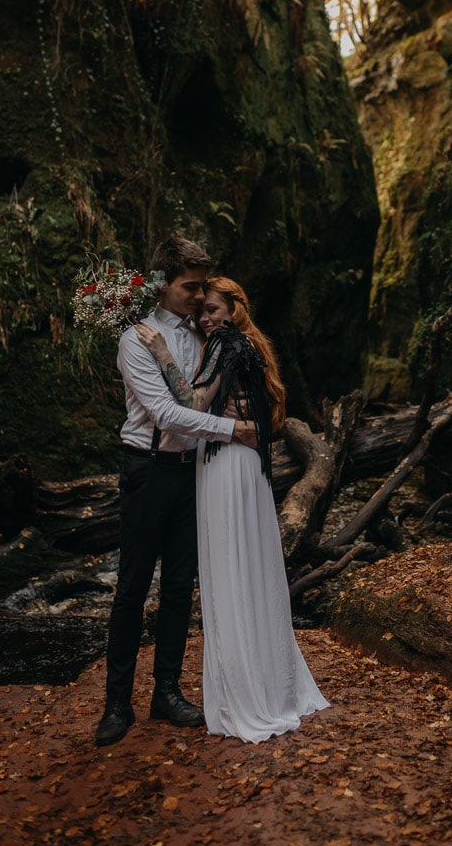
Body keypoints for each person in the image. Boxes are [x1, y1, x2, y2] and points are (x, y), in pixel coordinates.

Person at [135, 276, 329, 743]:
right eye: (201, 312)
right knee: (252, 568)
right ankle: (269, 682)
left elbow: (191, 402)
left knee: (229, 570)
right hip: (244, 463)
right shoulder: (249, 344)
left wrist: (162, 353)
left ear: (234, 309)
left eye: (214, 309)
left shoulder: (225, 341)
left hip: (224, 462)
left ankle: (245, 695)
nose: (205, 319)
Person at [95, 240, 258, 747]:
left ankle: (165, 692)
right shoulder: (136, 340)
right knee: (132, 588)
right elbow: (167, 413)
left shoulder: (206, 330)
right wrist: (233, 431)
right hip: (147, 470)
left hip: (195, 472)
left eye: (202, 287)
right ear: (163, 282)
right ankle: (117, 704)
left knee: (178, 586)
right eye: (190, 286)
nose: (198, 295)